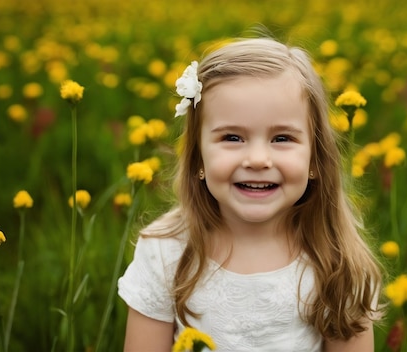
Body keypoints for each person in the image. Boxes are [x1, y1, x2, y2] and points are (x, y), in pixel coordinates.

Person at [118, 36, 384, 352]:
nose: (258, 159)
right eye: (233, 137)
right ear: (198, 158)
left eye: (282, 138)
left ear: (315, 160)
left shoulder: (337, 263)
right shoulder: (165, 252)